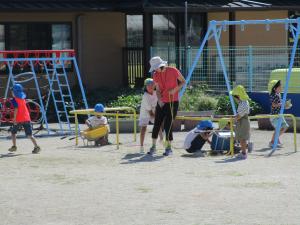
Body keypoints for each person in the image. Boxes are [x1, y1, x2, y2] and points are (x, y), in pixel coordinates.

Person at [147, 56, 186, 156]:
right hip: (162, 102)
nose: (154, 70)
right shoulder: (156, 74)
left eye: (155, 68)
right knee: (156, 124)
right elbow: (158, 90)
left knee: (168, 125)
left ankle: (168, 148)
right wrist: (159, 100)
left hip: (173, 102)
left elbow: (183, 82)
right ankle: (153, 147)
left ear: (160, 66)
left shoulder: (173, 70)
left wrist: (175, 90)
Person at [8, 83, 41, 154]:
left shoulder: (14, 100)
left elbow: (16, 109)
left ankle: (14, 146)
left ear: (14, 92)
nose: (11, 93)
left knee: (13, 132)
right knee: (30, 135)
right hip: (26, 118)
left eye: (12, 91)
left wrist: (14, 119)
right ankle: (36, 146)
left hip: (19, 119)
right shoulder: (23, 99)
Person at [139, 78, 163, 152]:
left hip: (153, 110)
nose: (150, 87)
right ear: (145, 87)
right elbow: (150, 111)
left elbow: (160, 102)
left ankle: (162, 139)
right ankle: (141, 146)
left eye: (152, 85)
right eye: (148, 85)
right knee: (143, 128)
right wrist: (156, 116)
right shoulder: (145, 96)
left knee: (158, 125)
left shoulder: (156, 93)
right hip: (145, 112)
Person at [268, 80, 291, 147]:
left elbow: (280, 105)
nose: (281, 89)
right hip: (274, 116)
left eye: (281, 87)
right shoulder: (273, 95)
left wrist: (286, 105)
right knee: (279, 128)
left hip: (279, 115)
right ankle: (272, 141)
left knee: (285, 126)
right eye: (280, 87)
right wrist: (282, 104)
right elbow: (274, 105)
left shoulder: (278, 94)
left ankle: (276, 140)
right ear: (275, 88)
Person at [230, 85, 251, 160]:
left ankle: (244, 153)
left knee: (242, 138)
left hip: (243, 121)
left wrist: (233, 119)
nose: (235, 99)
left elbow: (240, 115)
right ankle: (244, 151)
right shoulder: (243, 102)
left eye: (235, 97)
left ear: (238, 96)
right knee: (241, 137)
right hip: (242, 121)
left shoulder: (243, 104)